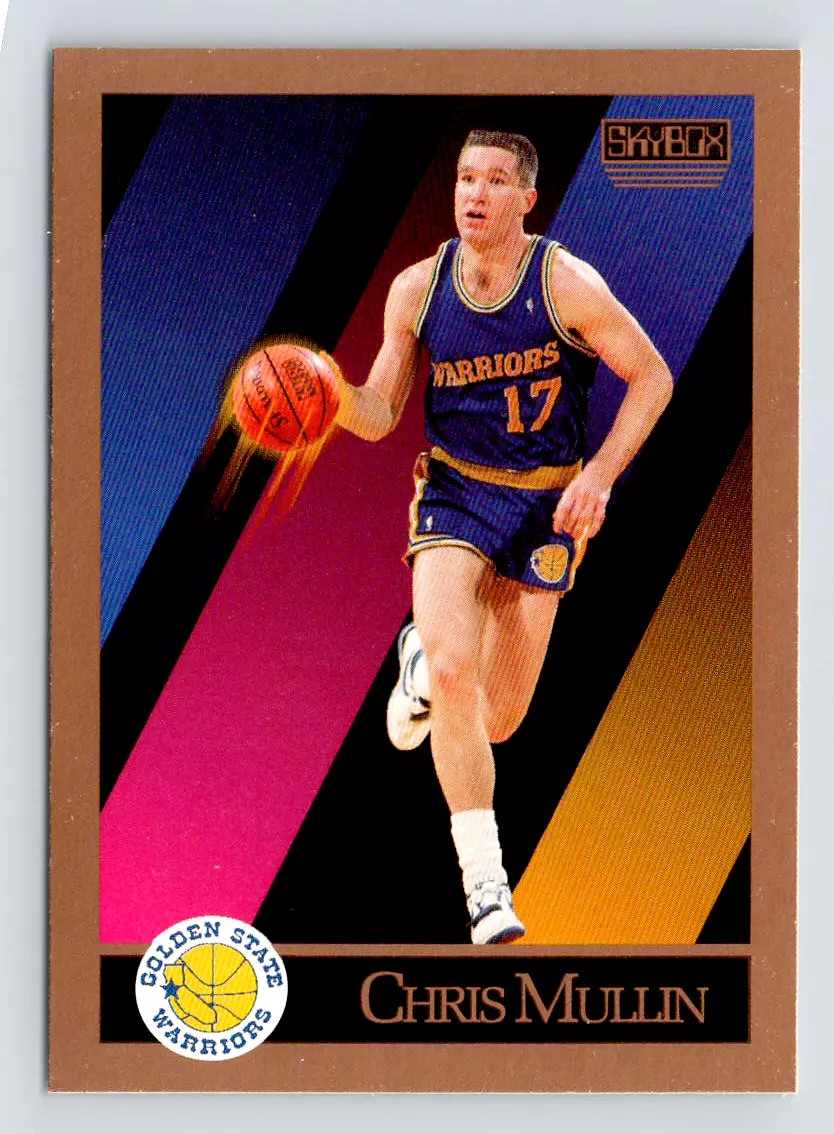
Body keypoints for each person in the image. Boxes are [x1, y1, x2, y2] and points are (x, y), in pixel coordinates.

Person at [333, 129, 673, 945]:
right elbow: (378, 412)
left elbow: (652, 375)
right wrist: (324, 393)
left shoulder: (564, 283)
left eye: (492, 181)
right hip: (455, 493)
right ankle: (486, 886)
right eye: (463, 179)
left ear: (527, 198)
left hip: (546, 502)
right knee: (458, 674)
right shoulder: (418, 288)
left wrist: (599, 476)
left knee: (497, 721)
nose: (474, 194)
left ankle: (419, 665)